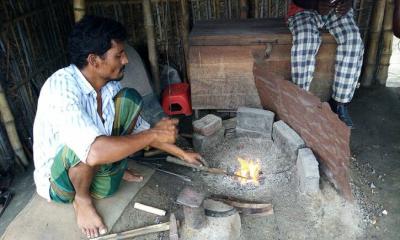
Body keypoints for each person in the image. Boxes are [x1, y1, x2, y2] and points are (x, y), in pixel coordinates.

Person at [33, 15, 202, 239]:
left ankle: (106, 173)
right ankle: (82, 202)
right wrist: (154, 133)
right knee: (83, 147)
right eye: (118, 55)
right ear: (94, 60)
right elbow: (92, 151)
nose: (126, 61)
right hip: (62, 185)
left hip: (95, 168)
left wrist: (182, 154)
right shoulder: (61, 89)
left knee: (130, 98)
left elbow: (144, 134)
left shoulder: (109, 86)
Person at [287, 0, 364, 128]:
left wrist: (349, 2)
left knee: (353, 41)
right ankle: (300, 102)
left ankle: (339, 104)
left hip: (337, 11)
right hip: (304, 9)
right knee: (305, 39)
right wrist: (314, 4)